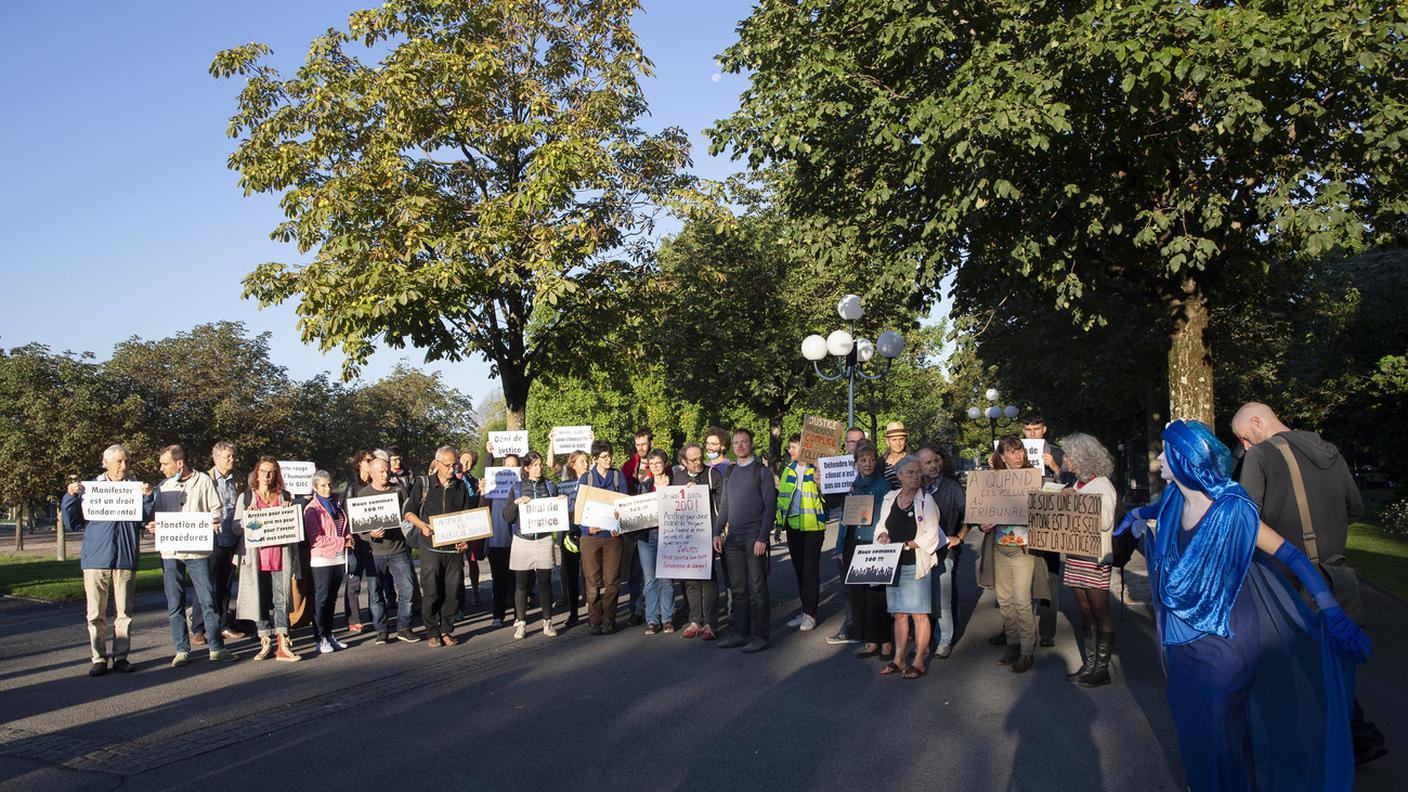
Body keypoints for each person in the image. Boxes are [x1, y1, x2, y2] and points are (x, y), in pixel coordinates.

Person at [1139, 419, 1369, 790]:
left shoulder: (1234, 512)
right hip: (1182, 646)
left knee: (1221, 737)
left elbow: (1291, 555)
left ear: (1185, 460)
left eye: (1165, 452)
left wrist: (1329, 606)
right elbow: (1156, 514)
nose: (1158, 460)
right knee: (1192, 731)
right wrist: (1135, 516)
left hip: (1224, 644)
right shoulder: (1172, 501)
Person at [1230, 401, 1384, 765]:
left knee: (1289, 672)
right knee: (1332, 665)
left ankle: (1308, 754)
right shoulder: (1329, 450)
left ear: (1257, 422)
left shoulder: (1262, 456)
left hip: (1289, 582)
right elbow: (1356, 508)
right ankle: (1356, 735)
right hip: (1338, 574)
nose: (1245, 445)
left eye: (1244, 437)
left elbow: (1245, 520)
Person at [62, 444, 153, 676]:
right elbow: (71, 523)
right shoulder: (90, 490)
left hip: (124, 557)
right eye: (119, 462)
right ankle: (99, 658)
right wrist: (70, 497)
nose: (124, 466)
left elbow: (145, 519)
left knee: (124, 613)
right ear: (106, 463)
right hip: (96, 558)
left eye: (127, 462)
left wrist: (148, 499)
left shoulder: (135, 490)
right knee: (95, 614)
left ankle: (121, 656)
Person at [151, 444, 233, 667]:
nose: (161, 468)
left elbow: (217, 508)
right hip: (170, 552)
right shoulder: (163, 486)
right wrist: (154, 525)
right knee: (174, 602)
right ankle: (181, 649)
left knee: (207, 599)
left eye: (164, 463)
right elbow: (157, 516)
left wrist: (214, 519)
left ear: (179, 463)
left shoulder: (203, 481)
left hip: (197, 551)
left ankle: (216, 647)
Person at [1053, 433, 1118, 687]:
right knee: (1084, 609)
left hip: (1095, 556)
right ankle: (1090, 664)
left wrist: (1075, 502)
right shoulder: (1077, 484)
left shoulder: (1102, 485)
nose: (1065, 459)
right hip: (1076, 554)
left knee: (1100, 610)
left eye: (1068, 455)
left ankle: (1101, 668)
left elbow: (1104, 522)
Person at [977, 436, 1043, 673]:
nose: (1018, 456)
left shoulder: (1033, 478)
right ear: (1001, 456)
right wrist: (982, 524)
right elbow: (981, 509)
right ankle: (1012, 644)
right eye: (1012, 452)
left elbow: (1041, 512)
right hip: (999, 547)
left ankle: (1027, 652)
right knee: (1005, 600)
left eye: (1020, 451)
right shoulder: (993, 480)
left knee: (1022, 601)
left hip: (1023, 549)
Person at [873, 455, 941, 678]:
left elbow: (931, 535)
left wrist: (909, 545)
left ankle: (919, 660)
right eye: (910, 472)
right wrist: (882, 534)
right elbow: (881, 524)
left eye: (917, 472)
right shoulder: (890, 498)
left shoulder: (926, 501)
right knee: (900, 614)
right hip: (893, 564)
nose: (915, 476)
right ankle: (899, 658)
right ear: (900, 476)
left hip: (916, 563)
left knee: (919, 614)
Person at [713, 428, 777, 653]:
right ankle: (741, 633)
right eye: (736, 442)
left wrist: (763, 538)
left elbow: (770, 507)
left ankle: (760, 636)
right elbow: (725, 505)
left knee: (758, 588)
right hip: (733, 539)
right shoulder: (729, 472)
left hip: (754, 538)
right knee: (738, 589)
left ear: (751, 444)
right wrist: (717, 531)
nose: (740, 446)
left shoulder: (762, 471)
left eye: (744, 442)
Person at [234, 456, 302, 662]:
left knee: (282, 600)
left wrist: (289, 512)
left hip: (280, 557)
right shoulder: (246, 498)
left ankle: (283, 643)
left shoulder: (285, 496)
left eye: (271, 471)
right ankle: (265, 642)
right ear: (256, 474)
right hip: (256, 559)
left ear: (276, 475)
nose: (267, 475)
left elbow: (296, 528)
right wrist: (246, 518)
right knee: (259, 600)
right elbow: (234, 527)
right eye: (263, 471)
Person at [405, 446, 471, 647]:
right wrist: (421, 525)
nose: (452, 469)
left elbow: (467, 518)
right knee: (432, 591)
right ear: (437, 463)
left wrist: (466, 540)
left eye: (455, 465)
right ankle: (432, 632)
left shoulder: (460, 487)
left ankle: (446, 630)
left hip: (453, 550)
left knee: (452, 592)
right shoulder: (423, 484)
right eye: (448, 465)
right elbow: (409, 512)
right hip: (430, 548)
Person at [357, 457, 420, 644]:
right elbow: (358, 530)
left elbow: (408, 515)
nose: (386, 475)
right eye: (382, 472)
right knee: (376, 594)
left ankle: (404, 627)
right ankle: (381, 630)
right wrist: (371, 535)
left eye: (387, 471)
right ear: (372, 473)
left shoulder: (398, 491)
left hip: (399, 549)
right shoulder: (362, 495)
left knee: (407, 589)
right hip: (374, 552)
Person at [842, 441, 895, 662]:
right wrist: (840, 547)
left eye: (871, 460)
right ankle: (871, 640)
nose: (868, 464)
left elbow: (887, 515)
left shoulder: (883, 486)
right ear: (856, 463)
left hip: (874, 542)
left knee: (877, 596)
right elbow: (847, 519)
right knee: (860, 594)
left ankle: (885, 642)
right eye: (863, 460)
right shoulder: (854, 485)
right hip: (856, 542)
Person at [502, 452, 562, 638]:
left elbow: (556, 512)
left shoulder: (550, 486)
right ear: (526, 468)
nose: (539, 468)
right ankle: (521, 623)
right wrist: (516, 503)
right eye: (534, 465)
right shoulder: (518, 487)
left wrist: (559, 503)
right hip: (522, 539)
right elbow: (507, 517)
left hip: (543, 540)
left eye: (540, 464)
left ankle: (547, 622)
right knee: (521, 584)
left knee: (544, 583)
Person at [1022, 412, 1067, 649]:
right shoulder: (1014, 451)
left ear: (1044, 429)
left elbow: (1070, 484)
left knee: (1050, 578)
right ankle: (1021, 630)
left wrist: (1055, 467)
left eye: (1036, 429)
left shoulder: (1057, 452)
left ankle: (1047, 632)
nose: (1032, 433)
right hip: (1022, 523)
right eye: (1028, 429)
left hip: (1050, 524)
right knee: (1021, 578)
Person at [919, 445, 967, 659]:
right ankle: (924, 640)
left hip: (944, 550)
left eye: (935, 461)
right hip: (919, 551)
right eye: (928, 462)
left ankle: (944, 640)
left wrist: (960, 536)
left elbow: (970, 513)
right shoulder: (915, 488)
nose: (933, 465)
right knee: (922, 599)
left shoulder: (951, 486)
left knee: (942, 599)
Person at [672, 443, 723, 640]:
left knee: (708, 580)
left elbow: (722, 503)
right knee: (691, 580)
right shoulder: (678, 479)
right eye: (693, 460)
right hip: (687, 537)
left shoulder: (713, 475)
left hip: (708, 533)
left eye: (700, 457)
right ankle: (695, 621)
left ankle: (711, 623)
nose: (698, 462)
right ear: (683, 462)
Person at [777, 433, 827, 633]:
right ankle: (805, 610)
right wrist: (779, 525)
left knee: (810, 571)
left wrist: (819, 482)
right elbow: (782, 498)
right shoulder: (788, 470)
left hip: (813, 527)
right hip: (793, 527)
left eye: (794, 447)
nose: (790, 450)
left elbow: (829, 496)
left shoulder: (817, 469)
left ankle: (811, 614)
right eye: (790, 447)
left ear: (806, 448)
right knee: (799, 572)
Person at [826, 426, 869, 646]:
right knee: (848, 584)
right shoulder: (839, 468)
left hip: (868, 534)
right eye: (851, 442)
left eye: (859, 441)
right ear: (846, 445)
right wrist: (822, 483)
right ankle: (852, 626)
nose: (856, 445)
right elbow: (834, 504)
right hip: (847, 535)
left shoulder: (873, 467)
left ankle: (869, 628)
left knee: (870, 584)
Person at [578, 441, 628, 634]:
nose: (609, 459)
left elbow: (623, 506)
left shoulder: (617, 476)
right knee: (592, 582)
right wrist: (586, 527)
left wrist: (620, 526)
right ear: (595, 459)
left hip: (612, 536)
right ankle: (594, 619)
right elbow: (580, 509)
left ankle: (609, 619)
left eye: (610, 456)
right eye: (604, 457)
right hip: (590, 537)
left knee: (612, 581)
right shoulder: (586, 479)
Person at [199, 441, 244, 642]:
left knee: (225, 584)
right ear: (216, 458)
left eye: (233, 456)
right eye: (228, 457)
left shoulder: (238, 480)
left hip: (231, 538)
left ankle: (224, 624)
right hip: (211, 539)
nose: (232, 460)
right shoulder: (205, 479)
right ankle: (199, 628)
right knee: (206, 584)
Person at [304, 470, 353, 654]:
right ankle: (320, 637)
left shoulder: (337, 505)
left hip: (339, 557)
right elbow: (316, 539)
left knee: (332, 599)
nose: (327, 488)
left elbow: (342, 527)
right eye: (323, 485)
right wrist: (342, 541)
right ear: (315, 488)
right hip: (322, 559)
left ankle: (330, 634)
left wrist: (347, 537)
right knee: (322, 599)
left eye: (329, 484)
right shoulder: (312, 509)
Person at [633, 449, 676, 634]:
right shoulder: (645, 485)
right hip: (647, 536)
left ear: (665, 464)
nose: (655, 467)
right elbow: (637, 510)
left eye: (658, 463)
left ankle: (667, 618)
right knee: (649, 579)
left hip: (668, 535)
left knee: (666, 579)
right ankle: (652, 619)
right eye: (652, 464)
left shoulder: (675, 483)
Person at [483, 452, 520, 628]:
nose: (510, 469)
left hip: (518, 539)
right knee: (499, 579)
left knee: (516, 579)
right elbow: (483, 506)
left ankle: (518, 615)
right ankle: (498, 614)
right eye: (507, 465)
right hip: (498, 538)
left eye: (514, 466)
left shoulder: (522, 487)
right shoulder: (493, 486)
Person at [342, 450, 376, 633]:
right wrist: (349, 537)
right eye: (368, 460)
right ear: (360, 464)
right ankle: (353, 618)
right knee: (354, 580)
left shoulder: (376, 483)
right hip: (357, 539)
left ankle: (376, 615)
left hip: (374, 539)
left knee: (374, 579)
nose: (371, 463)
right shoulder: (351, 486)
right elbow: (347, 513)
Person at [556, 449, 591, 627]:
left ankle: (593, 610)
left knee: (590, 572)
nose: (586, 464)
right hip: (569, 532)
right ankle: (573, 613)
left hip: (588, 531)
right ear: (573, 465)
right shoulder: (565, 485)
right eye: (582, 461)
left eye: (587, 461)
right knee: (571, 572)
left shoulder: (592, 483)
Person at [457, 449, 486, 608]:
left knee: (472, 560)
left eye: (469, 462)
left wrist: (480, 492)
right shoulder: (453, 477)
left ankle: (475, 592)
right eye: (463, 460)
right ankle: (459, 595)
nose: (466, 464)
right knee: (456, 562)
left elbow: (474, 502)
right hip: (455, 524)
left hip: (470, 524)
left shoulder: (473, 480)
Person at [881, 421, 908, 488]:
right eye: (894, 440)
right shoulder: (880, 464)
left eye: (901, 439)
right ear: (887, 442)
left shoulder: (913, 461)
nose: (898, 443)